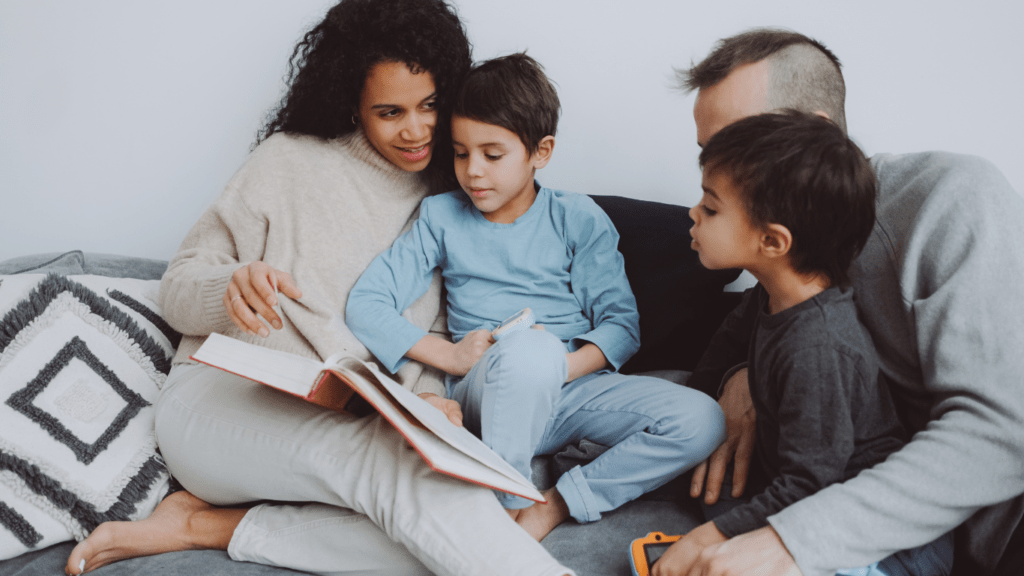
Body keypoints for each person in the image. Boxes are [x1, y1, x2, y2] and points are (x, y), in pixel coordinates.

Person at [64, 2, 575, 576]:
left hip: (348, 417)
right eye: (389, 112)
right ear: (352, 106)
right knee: (412, 487)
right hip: (219, 405)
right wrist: (229, 286)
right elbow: (178, 287)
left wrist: (429, 398)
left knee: (440, 535)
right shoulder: (287, 162)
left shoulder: (458, 189)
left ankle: (208, 524)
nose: (417, 129)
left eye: (430, 105)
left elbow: (434, 331)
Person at [677, 28, 1024, 576]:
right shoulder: (788, 253)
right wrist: (744, 376)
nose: (716, 171)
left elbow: (1001, 431)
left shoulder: (956, 197)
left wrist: (788, 541)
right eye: (708, 153)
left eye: (737, 143)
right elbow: (726, 351)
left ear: (813, 132)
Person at [346, 53, 726, 542]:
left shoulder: (577, 218)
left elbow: (620, 326)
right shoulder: (441, 217)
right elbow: (367, 304)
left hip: (570, 388)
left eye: (492, 154)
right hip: (488, 389)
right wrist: (449, 355)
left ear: (540, 151)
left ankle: (555, 505)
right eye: (461, 153)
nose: (473, 172)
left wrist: (555, 369)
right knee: (528, 353)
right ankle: (502, 515)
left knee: (703, 419)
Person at [652, 110, 953, 576]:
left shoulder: (817, 346)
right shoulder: (770, 301)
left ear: (773, 242)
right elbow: (708, 370)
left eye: (711, 208)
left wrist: (711, 537)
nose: (693, 213)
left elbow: (811, 485)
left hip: (885, 547)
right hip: (817, 495)